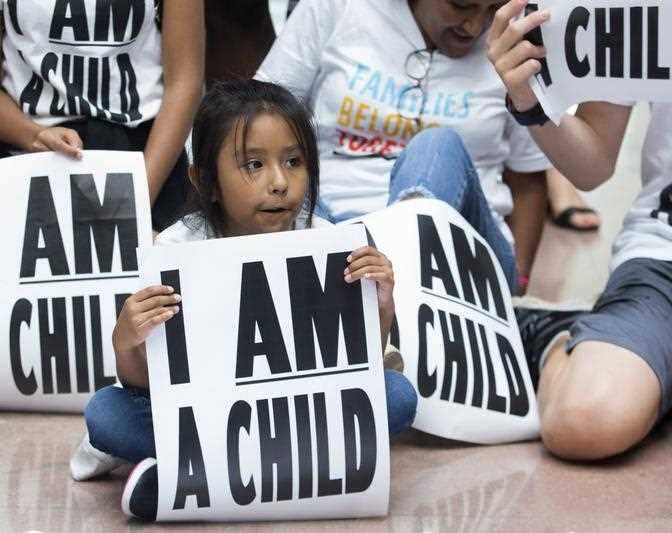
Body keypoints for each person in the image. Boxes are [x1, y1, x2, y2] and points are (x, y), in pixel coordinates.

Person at [70, 80, 418, 520]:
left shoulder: (328, 243)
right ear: (206, 181)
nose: (278, 182)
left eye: (293, 162)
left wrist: (382, 306)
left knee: (398, 396)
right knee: (107, 414)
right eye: (253, 165)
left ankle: (188, 476)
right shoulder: (175, 249)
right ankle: (275, 472)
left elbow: (355, 370)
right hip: (213, 427)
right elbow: (143, 384)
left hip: (296, 420)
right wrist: (128, 339)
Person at [255, 0, 552, 293]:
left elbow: (529, 179)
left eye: (493, 9)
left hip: (459, 254)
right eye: (461, 6)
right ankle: (358, 280)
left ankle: (396, 275)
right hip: (334, 233)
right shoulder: (337, 7)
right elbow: (258, 117)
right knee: (288, 173)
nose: (475, 26)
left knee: (436, 145)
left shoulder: (515, 44)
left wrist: (518, 283)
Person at [488, 0, 671, 460]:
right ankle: (552, 336)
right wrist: (532, 103)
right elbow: (591, 167)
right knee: (584, 423)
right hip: (665, 258)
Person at [0, 0, 204, 230]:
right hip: (32, 157)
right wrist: (35, 135)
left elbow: (185, 82)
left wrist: (140, 195)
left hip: (146, 158)